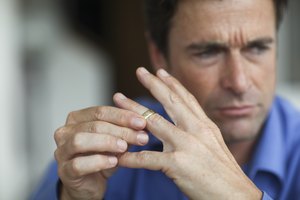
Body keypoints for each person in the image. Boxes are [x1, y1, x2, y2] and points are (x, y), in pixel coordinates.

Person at [32, 0, 300, 199]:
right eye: (208, 52)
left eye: (257, 48)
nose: (239, 82)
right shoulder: (108, 147)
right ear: (159, 55)